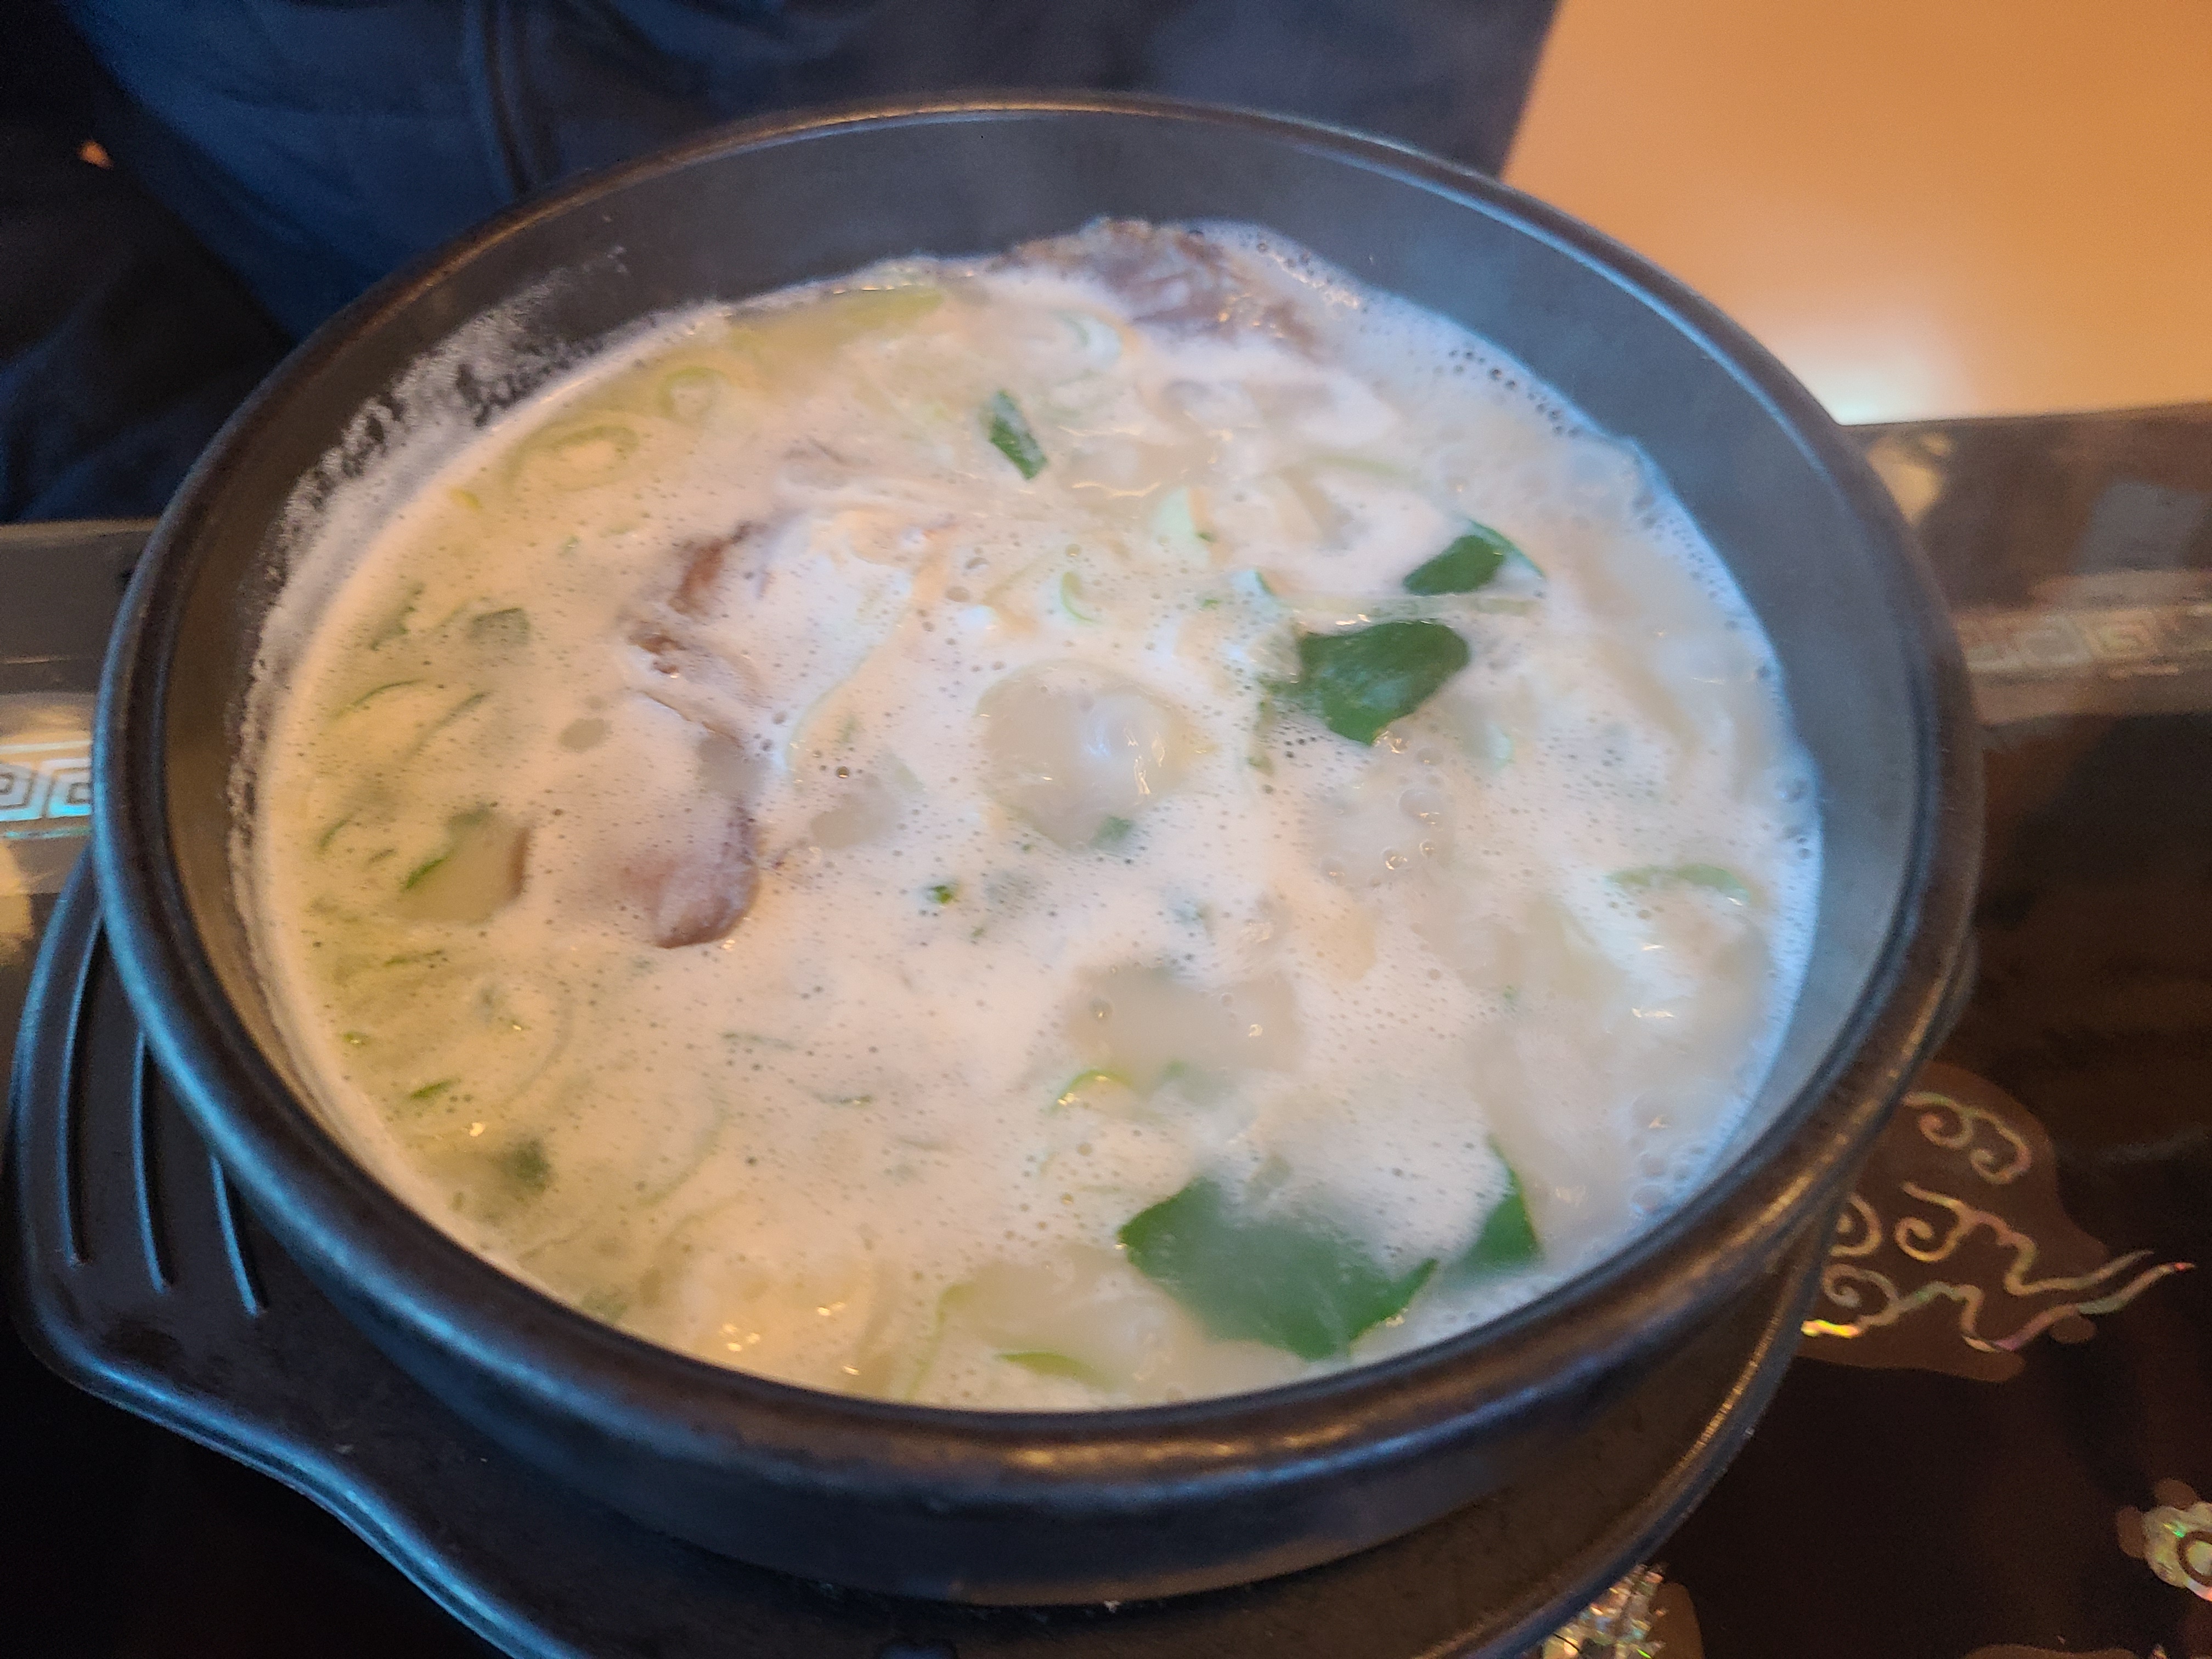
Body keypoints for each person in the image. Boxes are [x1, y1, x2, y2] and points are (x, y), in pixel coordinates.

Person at [1, 0, 1559, 522]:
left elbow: (1379, 47)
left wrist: (1257, 287)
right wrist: (180, 473)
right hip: (282, 338)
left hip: (1095, 270)